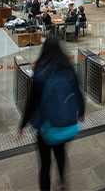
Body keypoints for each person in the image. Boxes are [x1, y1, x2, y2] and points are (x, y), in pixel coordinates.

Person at [18, 38, 84, 190]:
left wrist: (22, 125)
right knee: (60, 153)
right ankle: (61, 181)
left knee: (45, 164)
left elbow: (32, 101)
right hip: (64, 121)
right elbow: (77, 92)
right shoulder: (68, 68)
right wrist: (81, 111)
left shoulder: (41, 71)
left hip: (45, 125)